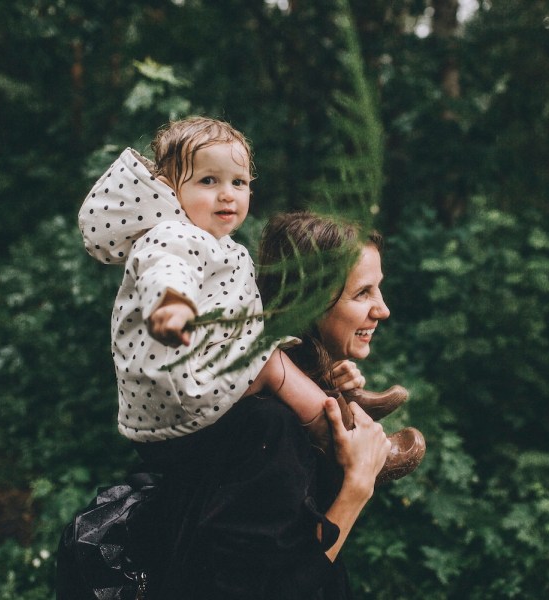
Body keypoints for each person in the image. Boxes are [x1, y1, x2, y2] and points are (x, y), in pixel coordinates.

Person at [77, 116, 420, 482]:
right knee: (269, 362)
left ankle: (341, 401)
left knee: (271, 355)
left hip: (180, 393)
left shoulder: (215, 243)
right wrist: (172, 304)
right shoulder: (173, 236)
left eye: (238, 182)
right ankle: (348, 443)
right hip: (180, 391)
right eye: (208, 181)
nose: (227, 194)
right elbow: (165, 270)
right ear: (170, 187)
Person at [132, 210, 423, 598]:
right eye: (362, 293)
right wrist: (357, 486)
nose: (382, 309)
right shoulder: (270, 425)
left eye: (378, 290)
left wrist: (325, 382)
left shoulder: (275, 408)